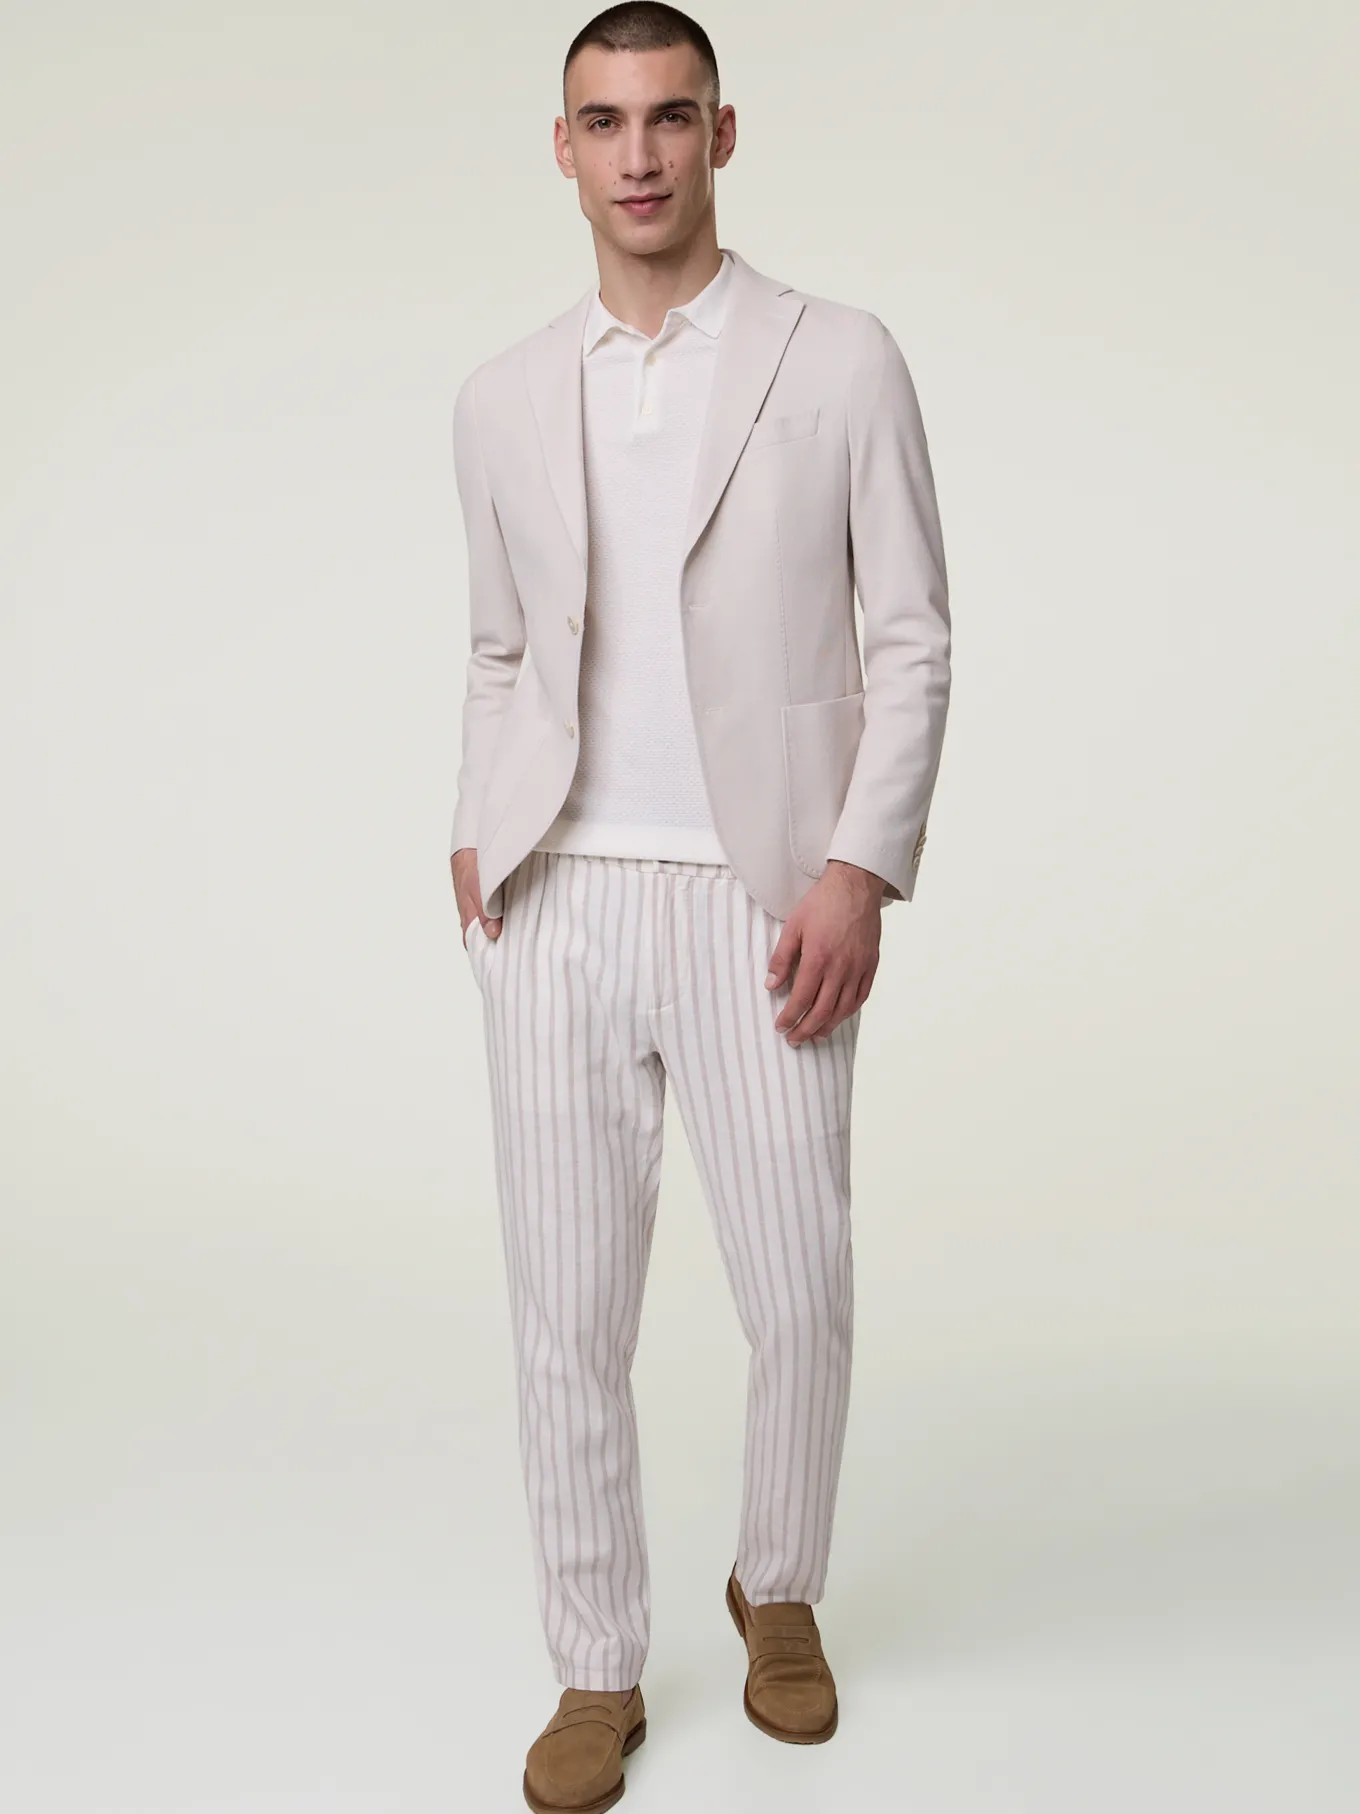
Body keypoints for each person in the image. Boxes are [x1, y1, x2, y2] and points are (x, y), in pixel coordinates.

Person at [448, 5, 951, 1807]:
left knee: (798, 1286)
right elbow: (499, 647)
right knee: (564, 1311)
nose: (640, 153)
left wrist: (859, 867)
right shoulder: (503, 394)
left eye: (671, 117)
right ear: (563, 149)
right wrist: (474, 821)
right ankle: (596, 1662)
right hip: (559, 898)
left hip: (766, 900)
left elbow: (913, 637)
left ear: (723, 136)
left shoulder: (841, 357)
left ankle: (778, 1584)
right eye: (605, 121)